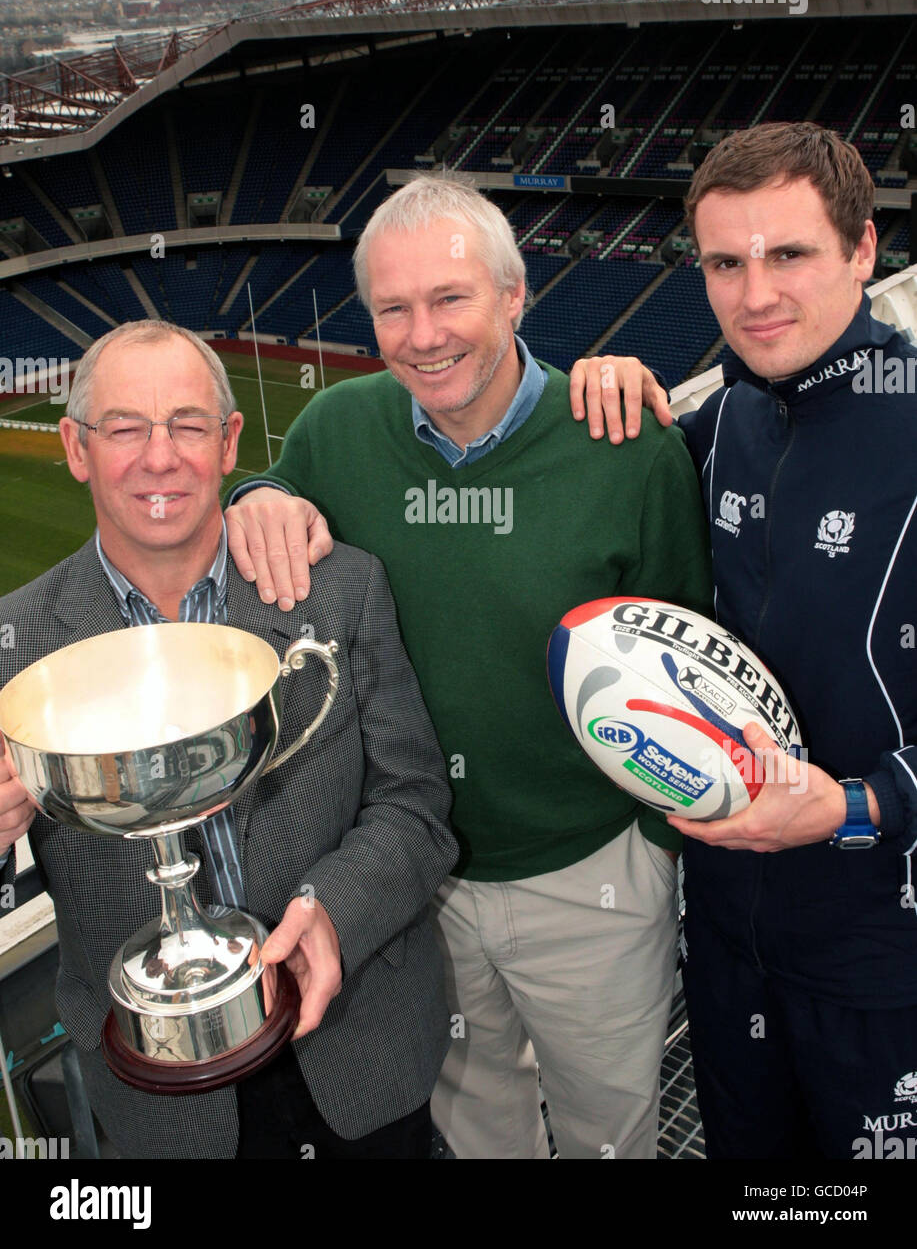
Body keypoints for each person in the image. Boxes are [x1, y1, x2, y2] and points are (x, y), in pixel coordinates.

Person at [223, 172, 713, 1159]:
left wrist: (657, 846)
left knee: (607, 1136)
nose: (422, 333)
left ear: (513, 295)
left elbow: (683, 657)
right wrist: (257, 490)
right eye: (392, 308)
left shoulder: (621, 442)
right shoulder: (334, 429)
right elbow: (274, 494)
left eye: (449, 298)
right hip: (413, 884)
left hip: (589, 878)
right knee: (477, 1132)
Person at [0, 320, 458, 1160]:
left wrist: (333, 913)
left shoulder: (340, 591)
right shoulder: (16, 644)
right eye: (125, 428)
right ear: (75, 447)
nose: (159, 456)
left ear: (228, 441)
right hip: (161, 1097)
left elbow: (415, 807)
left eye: (186, 423)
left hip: (356, 1039)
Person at [570, 121, 917, 1160]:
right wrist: (278, 492)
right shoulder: (715, 428)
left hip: (880, 959)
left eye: (788, 254)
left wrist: (856, 805)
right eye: (724, 261)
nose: (752, 292)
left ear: (861, 250)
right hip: (725, 944)